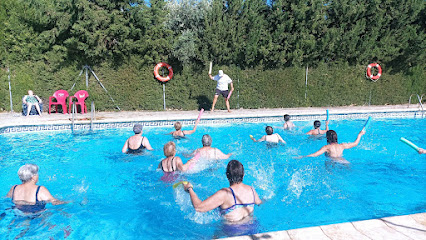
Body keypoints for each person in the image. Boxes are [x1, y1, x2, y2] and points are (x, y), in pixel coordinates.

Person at [183, 160, 262, 223]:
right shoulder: (251, 190)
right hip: (252, 228)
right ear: (243, 174)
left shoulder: (225, 193)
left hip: (232, 231)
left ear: (227, 175)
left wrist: (190, 188)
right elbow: (259, 203)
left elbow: (198, 207)